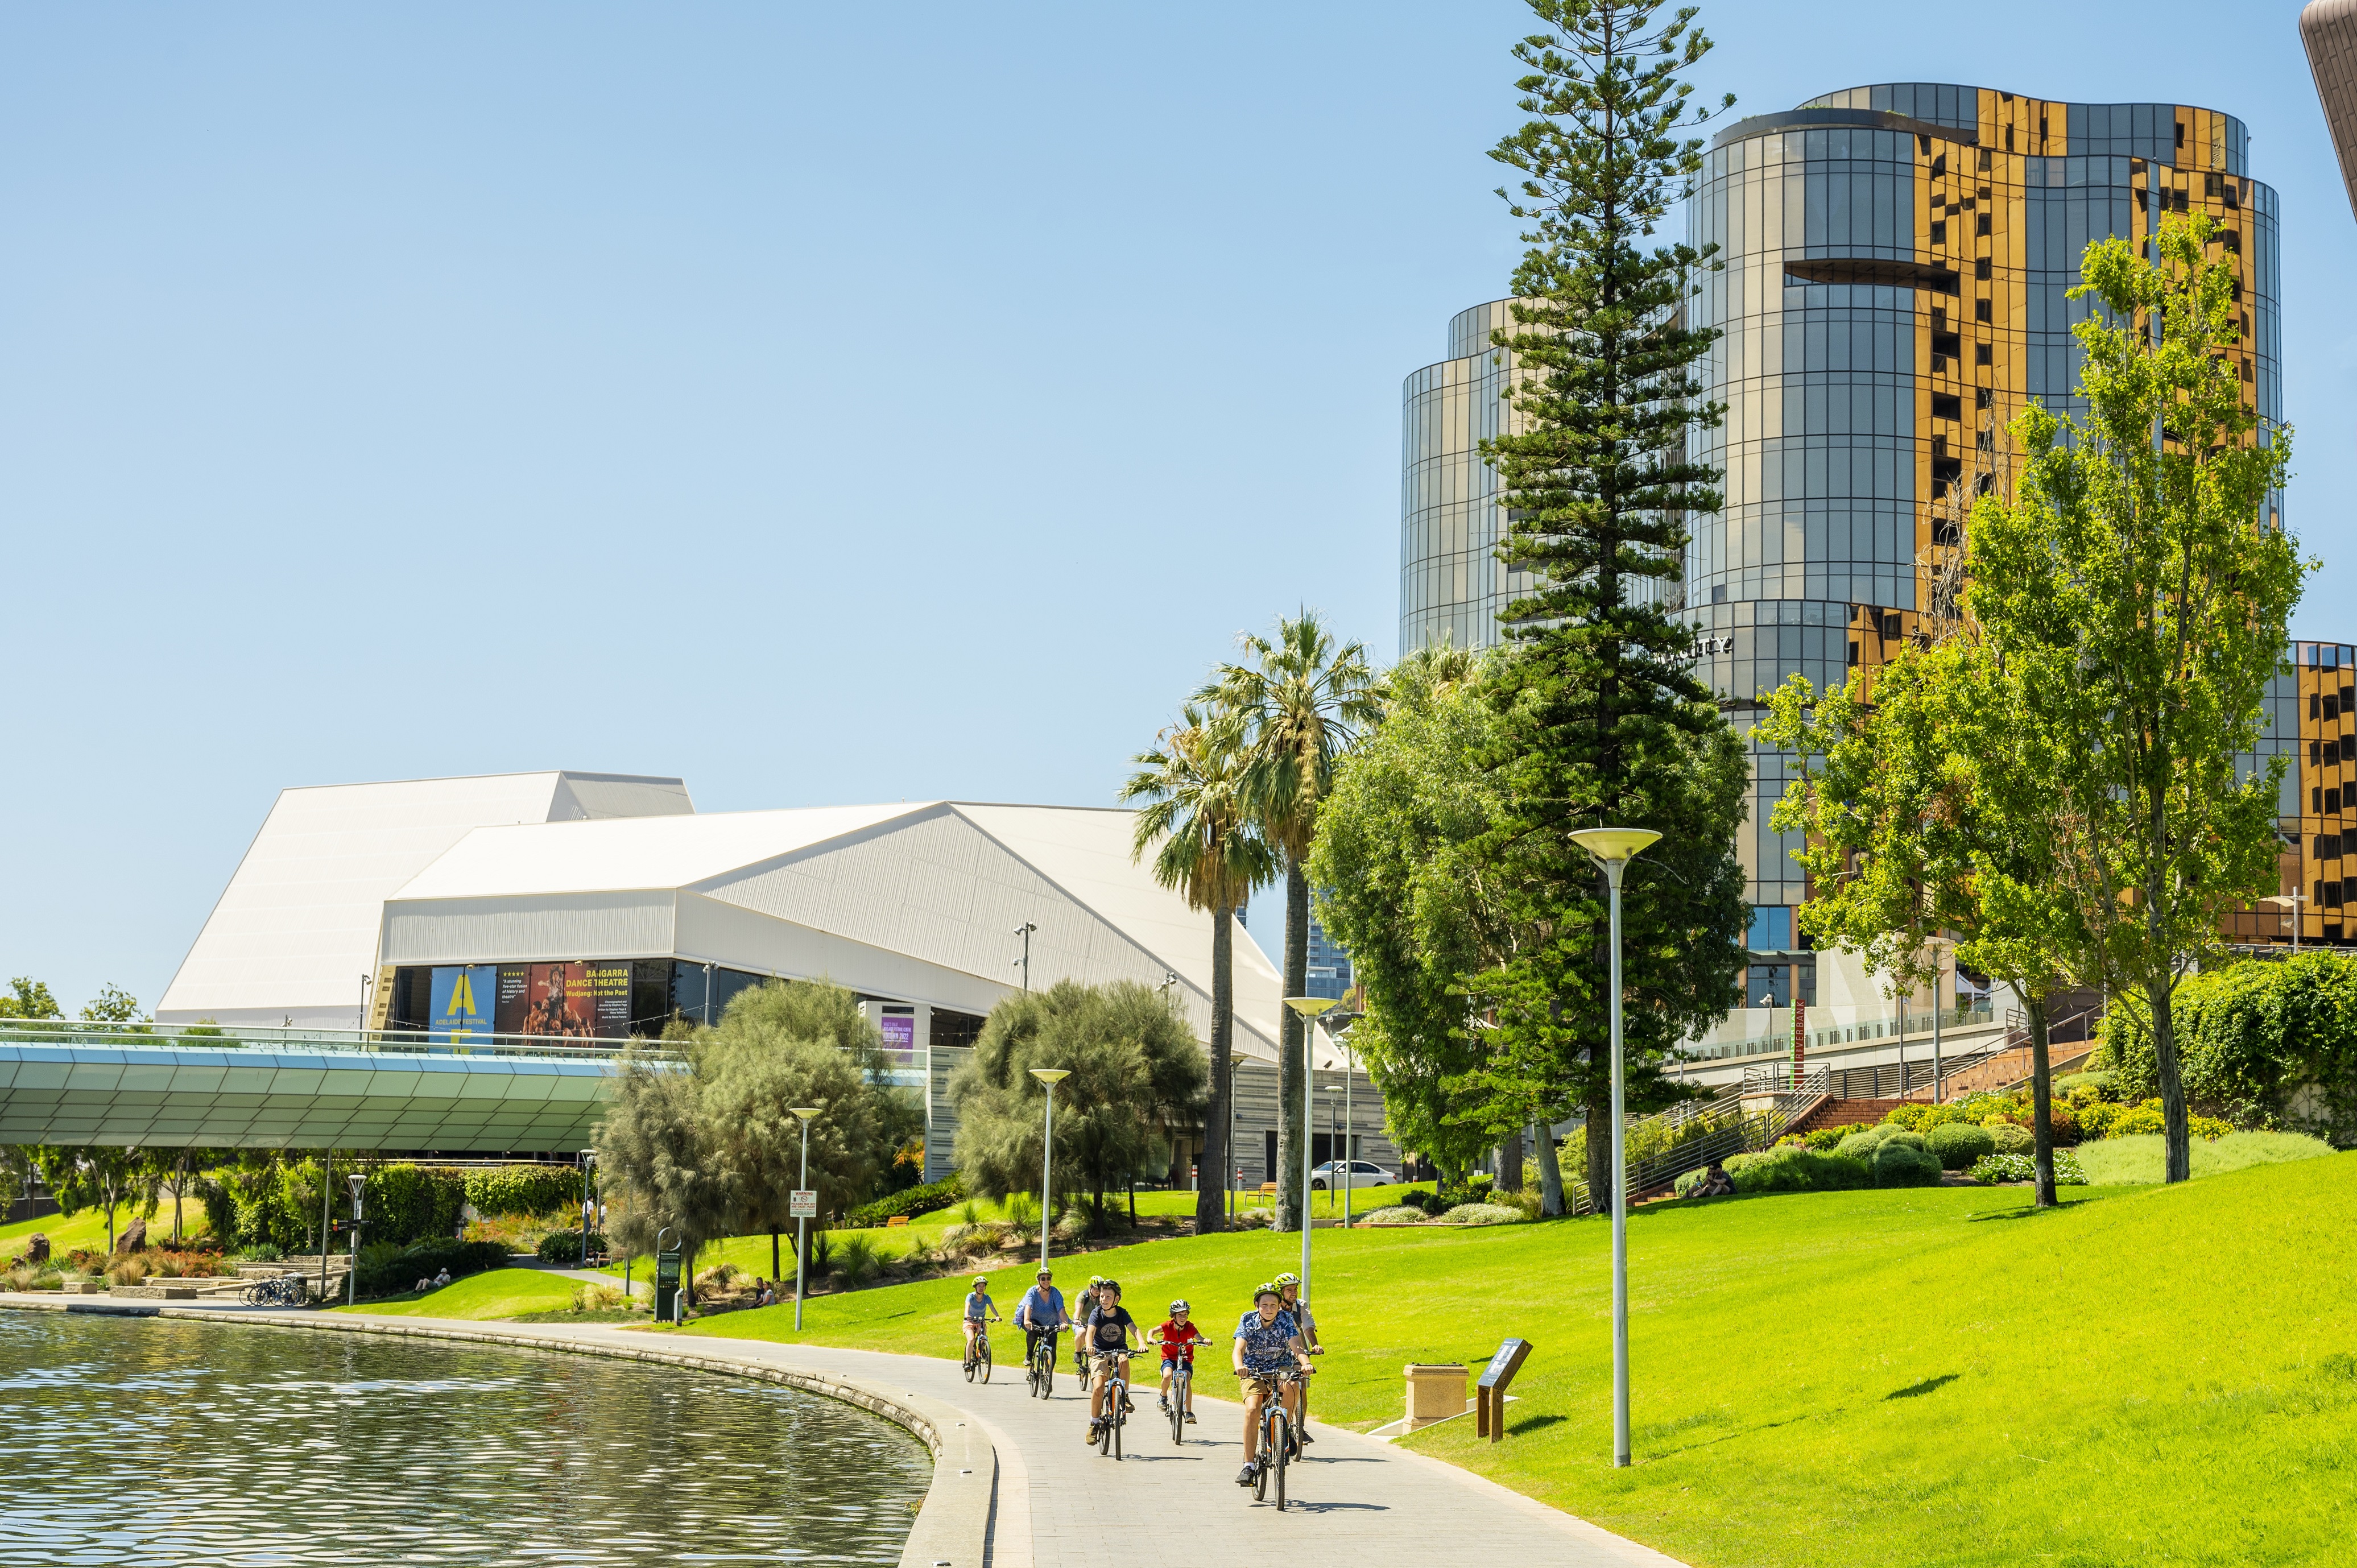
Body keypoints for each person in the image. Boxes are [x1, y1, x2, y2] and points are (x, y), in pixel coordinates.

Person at [1230, 1283, 1312, 1486]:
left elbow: (1296, 1346)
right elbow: (1239, 1349)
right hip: (1253, 1370)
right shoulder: (1247, 1319)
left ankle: (1284, 1429)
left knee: (1293, 1386)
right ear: (1257, 1305)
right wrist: (1240, 1367)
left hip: (1279, 1366)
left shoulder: (1286, 1319)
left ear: (1279, 1305)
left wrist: (1306, 1363)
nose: (1269, 1309)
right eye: (1264, 1305)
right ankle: (1249, 1465)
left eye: (1273, 1305)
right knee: (1253, 1409)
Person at [1082, 1278, 1141, 1445]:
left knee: (1124, 1361)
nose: (1104, 1299)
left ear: (1116, 1299)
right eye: (1102, 1296)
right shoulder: (1097, 1313)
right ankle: (1094, 1423)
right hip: (1099, 1352)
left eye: (1108, 1297)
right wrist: (1089, 1346)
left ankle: (1125, 1396)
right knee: (1099, 1387)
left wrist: (1141, 1343)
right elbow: (1090, 1332)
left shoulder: (1122, 1313)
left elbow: (1134, 1329)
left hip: (1119, 1349)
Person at [1273, 1272, 1322, 1447]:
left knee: (1300, 1387)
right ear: (1281, 1293)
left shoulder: (1301, 1306)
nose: (1294, 1293)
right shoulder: (1273, 1307)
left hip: (1298, 1351)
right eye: (1290, 1290)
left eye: (1295, 1289)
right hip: (1277, 1353)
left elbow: (1308, 1327)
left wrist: (1315, 1345)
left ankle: (1300, 1427)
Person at [1149, 1298, 1207, 1423]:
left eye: (1185, 1314)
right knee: (1168, 1376)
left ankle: (1189, 1412)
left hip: (1185, 1359)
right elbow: (1152, 1331)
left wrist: (1203, 1340)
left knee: (1187, 1378)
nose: (1183, 1318)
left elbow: (1198, 1336)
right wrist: (1150, 1338)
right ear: (1173, 1316)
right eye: (1180, 1315)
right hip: (1169, 1358)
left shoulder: (1189, 1327)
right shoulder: (1168, 1325)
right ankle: (1164, 1396)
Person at [1014, 1267, 1068, 1373]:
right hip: (1034, 1320)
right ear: (1038, 1280)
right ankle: (1029, 1354)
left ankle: (1048, 1375)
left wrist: (1064, 1322)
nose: (1046, 1281)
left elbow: (1061, 1309)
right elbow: (1029, 1306)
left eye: (1048, 1278)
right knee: (1033, 1331)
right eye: (1043, 1279)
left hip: (1051, 1322)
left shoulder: (1055, 1292)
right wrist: (1027, 1320)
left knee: (1052, 1348)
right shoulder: (1032, 1292)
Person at [1071, 1275, 1105, 1377]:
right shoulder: (1084, 1296)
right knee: (1082, 1333)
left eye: (1099, 1289)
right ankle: (1078, 1352)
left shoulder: (1102, 1298)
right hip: (1081, 1322)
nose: (1097, 1291)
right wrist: (1076, 1319)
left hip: (1094, 1324)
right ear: (1090, 1287)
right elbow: (1078, 1309)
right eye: (1095, 1289)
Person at [962, 1274, 1000, 1362]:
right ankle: (968, 1362)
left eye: (983, 1286)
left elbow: (992, 1308)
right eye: (979, 1286)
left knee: (983, 1338)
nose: (981, 1288)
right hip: (970, 1322)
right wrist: (967, 1315)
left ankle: (982, 1349)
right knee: (971, 1340)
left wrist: (997, 1316)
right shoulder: (971, 1297)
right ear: (975, 1287)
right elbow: (967, 1306)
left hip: (980, 1322)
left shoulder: (987, 1298)